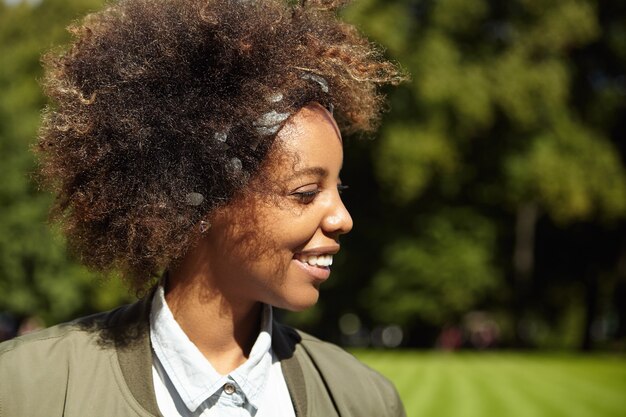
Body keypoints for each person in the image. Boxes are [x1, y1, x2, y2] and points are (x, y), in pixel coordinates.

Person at [0, 0, 405, 416]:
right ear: (205, 196)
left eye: (339, 188)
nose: (343, 218)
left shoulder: (364, 400)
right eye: (305, 193)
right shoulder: (27, 389)